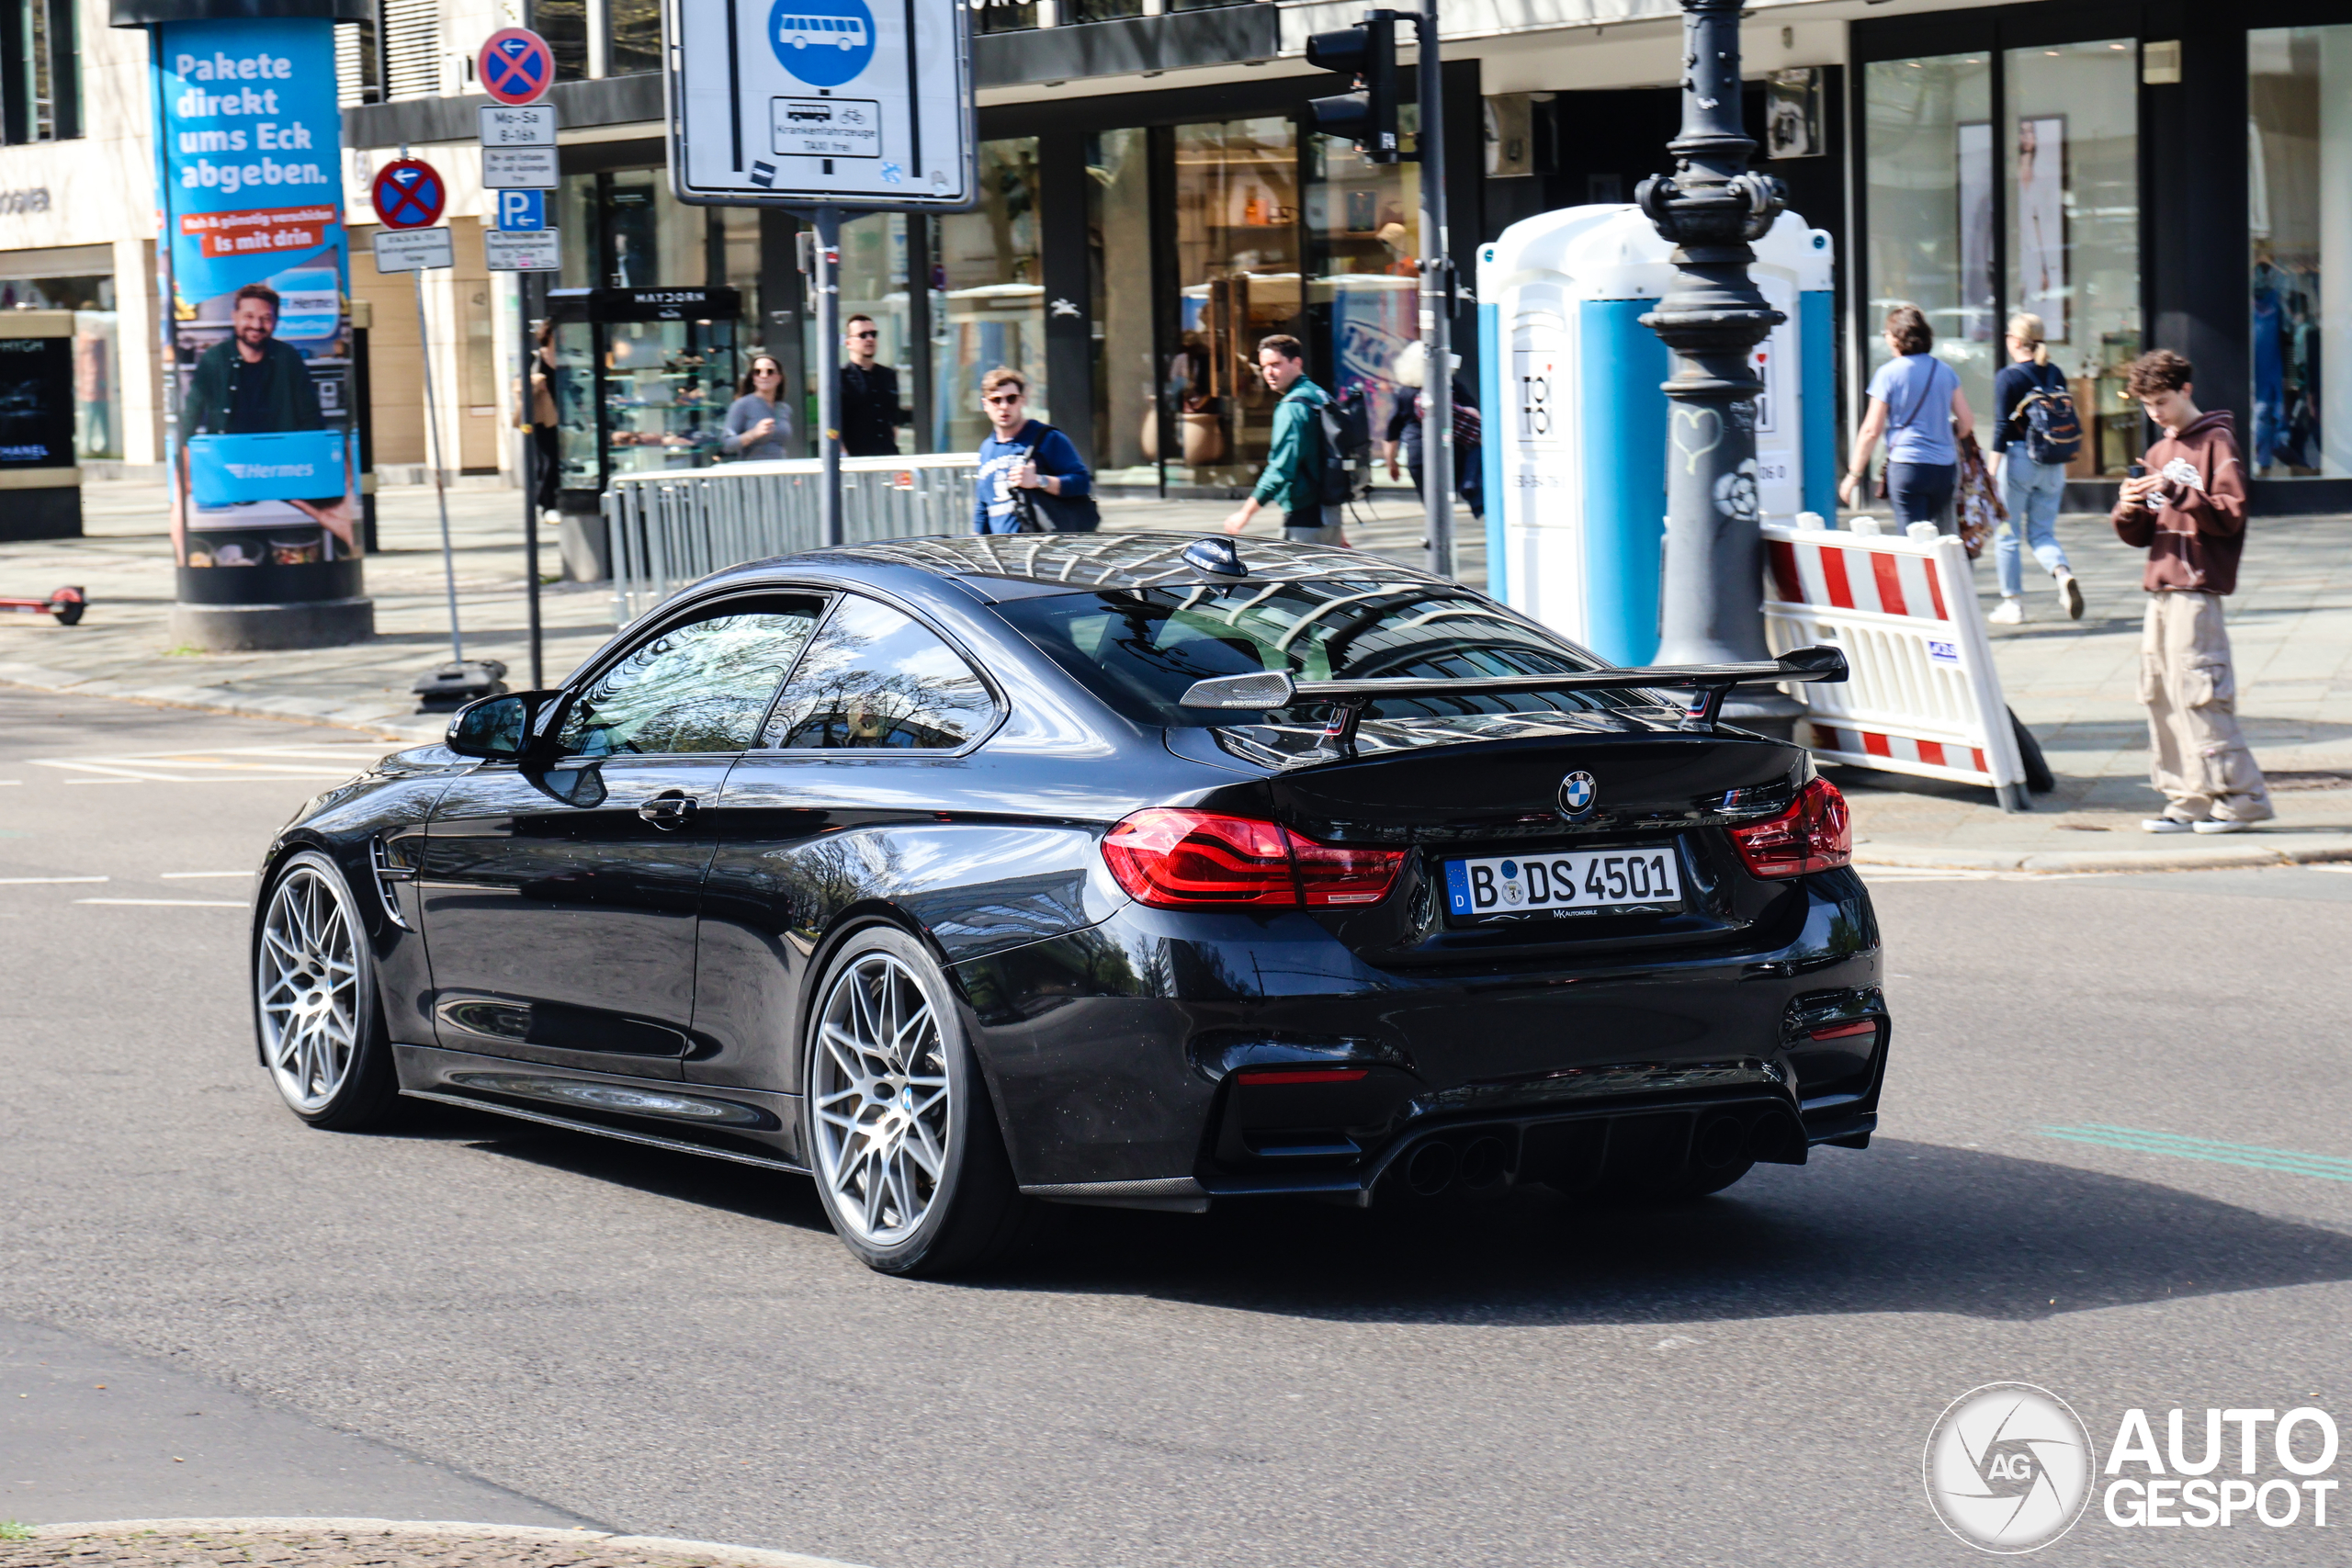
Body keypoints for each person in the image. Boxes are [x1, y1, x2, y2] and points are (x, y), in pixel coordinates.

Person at [2112, 349, 2273, 835]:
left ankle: (2242, 797)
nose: (2155, 412)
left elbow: (2231, 513)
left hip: (2197, 588)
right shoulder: (2159, 452)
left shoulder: (2217, 441)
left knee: (2201, 693)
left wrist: (2182, 492)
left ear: (2186, 390)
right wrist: (2127, 507)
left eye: (2161, 401)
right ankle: (2187, 798)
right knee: (2160, 694)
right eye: (2146, 404)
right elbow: (2141, 534)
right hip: (2161, 587)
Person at [1838, 305, 1975, 530]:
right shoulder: (1945, 371)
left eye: (1887, 334)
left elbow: (1871, 430)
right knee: (1942, 536)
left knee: (1913, 540)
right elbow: (1966, 421)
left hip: (1908, 466)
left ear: (1895, 339)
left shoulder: (1888, 374)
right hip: (1944, 468)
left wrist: (1854, 474)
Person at [1985, 312, 2082, 623]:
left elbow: (2001, 428)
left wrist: (1989, 472)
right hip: (2054, 463)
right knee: (2042, 532)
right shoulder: (2055, 372)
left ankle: (2012, 604)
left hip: (2018, 462)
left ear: (2014, 341)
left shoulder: (2008, 377)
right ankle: (2062, 572)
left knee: (2007, 533)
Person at [1221, 334, 1343, 546]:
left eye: (1276, 364)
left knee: (1302, 578)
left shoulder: (1293, 406)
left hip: (1305, 518)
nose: (1268, 372)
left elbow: (1281, 468)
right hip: (1330, 515)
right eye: (1264, 366)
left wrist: (1245, 513)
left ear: (1296, 362)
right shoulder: (1319, 395)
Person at [184, 283, 324, 438]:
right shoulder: (213, 358)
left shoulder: (289, 358)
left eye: (266, 318)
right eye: (249, 316)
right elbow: (190, 413)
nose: (257, 325)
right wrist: (183, 449)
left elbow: (311, 417)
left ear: (276, 321)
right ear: (235, 316)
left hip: (280, 454)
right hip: (228, 455)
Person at [971, 367, 1092, 535]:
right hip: (1002, 554)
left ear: (1023, 400)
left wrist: (1038, 481)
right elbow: (983, 506)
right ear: (986, 404)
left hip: (1043, 549)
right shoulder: (986, 448)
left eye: (1011, 399)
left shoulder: (1048, 438)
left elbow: (1082, 482)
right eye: (996, 400)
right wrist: (977, 544)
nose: (1004, 406)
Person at [839, 315, 907, 457]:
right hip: (856, 458)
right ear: (848, 343)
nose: (870, 339)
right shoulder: (840, 377)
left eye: (873, 334)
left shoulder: (888, 375)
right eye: (863, 335)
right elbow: (833, 423)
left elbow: (894, 417)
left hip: (888, 455)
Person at [721, 354, 794, 462]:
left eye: (769, 371)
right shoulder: (742, 405)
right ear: (753, 378)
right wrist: (753, 434)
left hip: (779, 470)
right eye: (758, 372)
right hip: (752, 472)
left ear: (779, 378)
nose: (764, 376)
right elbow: (727, 444)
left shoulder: (784, 408)